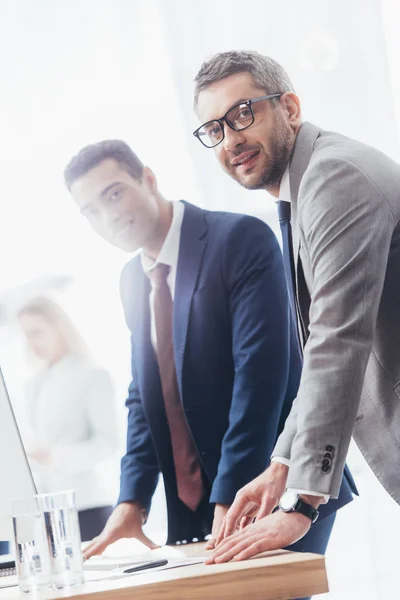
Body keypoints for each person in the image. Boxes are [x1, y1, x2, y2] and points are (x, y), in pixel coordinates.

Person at [63, 140, 354, 571]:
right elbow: (145, 397)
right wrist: (132, 500)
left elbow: (259, 379)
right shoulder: (131, 280)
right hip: (195, 507)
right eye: (90, 210)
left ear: (148, 177)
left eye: (114, 193)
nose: (107, 216)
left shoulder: (239, 240)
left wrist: (231, 495)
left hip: (269, 489)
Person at [192, 50, 400, 563]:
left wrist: (302, 503)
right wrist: (282, 463)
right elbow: (317, 347)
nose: (231, 139)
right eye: (214, 129)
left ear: (289, 107)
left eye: (244, 114)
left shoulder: (335, 178)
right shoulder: (306, 188)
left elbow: (337, 341)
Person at [17, 296, 118, 542]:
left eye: (37, 332)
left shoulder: (92, 375)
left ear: (59, 327)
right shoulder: (33, 385)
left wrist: (56, 457)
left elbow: (108, 443)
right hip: (47, 511)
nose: (32, 342)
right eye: (26, 334)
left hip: (87, 506)